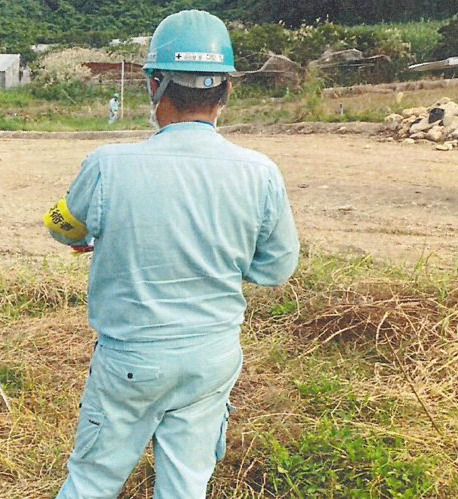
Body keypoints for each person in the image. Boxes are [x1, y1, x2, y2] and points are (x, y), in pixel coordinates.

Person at [43, 10, 299, 499]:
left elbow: (61, 225)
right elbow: (277, 266)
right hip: (211, 357)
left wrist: (84, 235)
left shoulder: (108, 164)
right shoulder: (260, 172)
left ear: (153, 84)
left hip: (131, 358)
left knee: (92, 482)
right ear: (226, 90)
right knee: (186, 486)